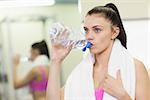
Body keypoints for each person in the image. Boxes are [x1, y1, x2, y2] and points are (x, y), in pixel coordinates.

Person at [46, 3, 150, 100]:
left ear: (114, 32)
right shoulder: (81, 73)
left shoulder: (136, 67)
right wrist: (56, 61)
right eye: (86, 30)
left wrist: (123, 96)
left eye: (97, 30)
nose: (89, 36)